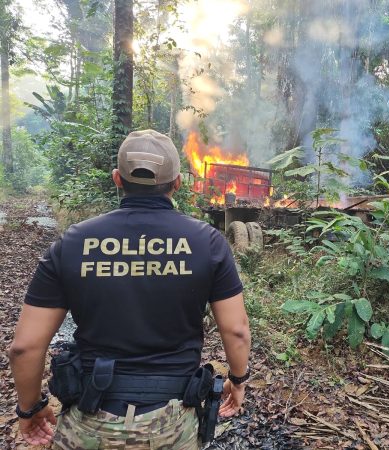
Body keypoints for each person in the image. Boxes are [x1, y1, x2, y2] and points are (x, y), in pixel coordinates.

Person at [9, 129, 251, 449]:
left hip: (89, 417)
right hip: (172, 424)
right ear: (178, 183)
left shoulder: (73, 242)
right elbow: (236, 330)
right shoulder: (208, 243)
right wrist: (238, 380)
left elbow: (24, 347)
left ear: (117, 179)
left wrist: (30, 409)